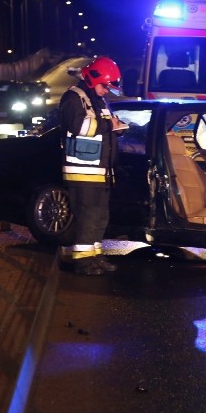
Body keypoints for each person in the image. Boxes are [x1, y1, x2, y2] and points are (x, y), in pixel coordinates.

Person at [59, 56, 129, 275]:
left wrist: (118, 128)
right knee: (87, 217)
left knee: (100, 217)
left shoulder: (97, 100)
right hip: (83, 172)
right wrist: (109, 125)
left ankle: (95, 257)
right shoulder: (74, 97)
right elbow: (80, 126)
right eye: (104, 86)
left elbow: (104, 126)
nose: (106, 91)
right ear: (91, 78)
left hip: (101, 171)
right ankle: (82, 262)